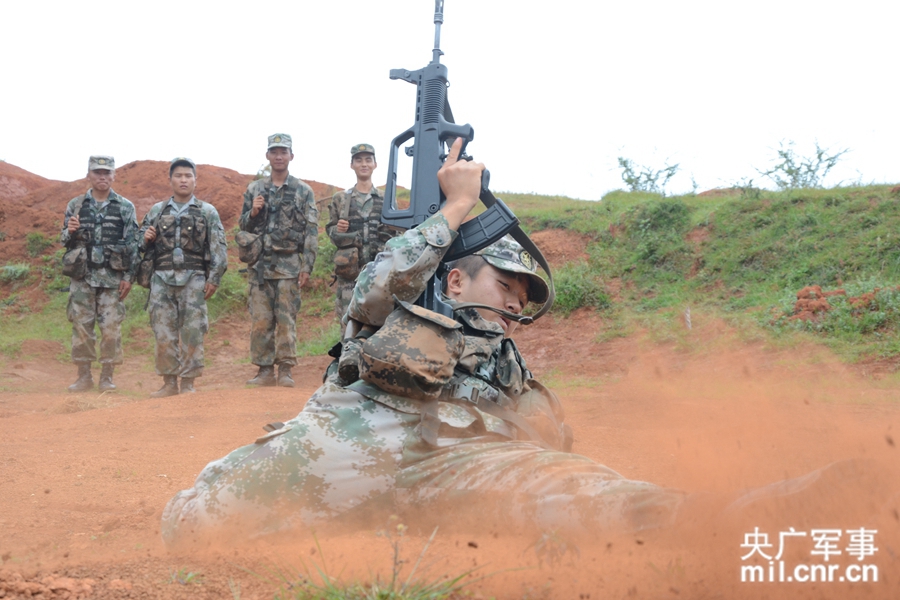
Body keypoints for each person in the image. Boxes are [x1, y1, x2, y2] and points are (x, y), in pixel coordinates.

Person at [160, 139, 683, 547]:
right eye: (504, 286)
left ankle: (737, 526)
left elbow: (549, 451)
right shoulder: (397, 305)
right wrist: (456, 206)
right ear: (456, 282)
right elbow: (375, 284)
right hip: (351, 444)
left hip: (462, 466)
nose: (514, 305)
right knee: (192, 524)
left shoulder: (510, 363)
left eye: (523, 301)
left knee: (606, 503)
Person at [139, 158, 227, 398]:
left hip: (194, 278)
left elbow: (218, 246)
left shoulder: (207, 211)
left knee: (192, 331)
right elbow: (137, 244)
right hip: (161, 279)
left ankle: (188, 382)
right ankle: (169, 383)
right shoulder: (157, 211)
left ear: (195, 180)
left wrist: (215, 278)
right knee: (163, 331)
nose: (183, 180)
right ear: (170, 180)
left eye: (188, 176)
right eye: (178, 176)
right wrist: (144, 238)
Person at [238, 133, 319, 388]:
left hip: (288, 267)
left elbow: (311, 230)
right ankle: (264, 370)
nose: (279, 156)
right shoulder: (254, 189)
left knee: (286, 320)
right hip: (260, 267)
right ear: (268, 156)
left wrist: (307, 267)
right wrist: (253, 212)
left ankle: (285, 370)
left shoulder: (303, 191)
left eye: (284, 152)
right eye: (274, 152)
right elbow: (241, 226)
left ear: (291, 156)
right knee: (261, 320)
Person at [60, 156, 140, 393]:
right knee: (82, 328)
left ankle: (107, 377)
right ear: (89, 175)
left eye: (107, 173)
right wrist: (69, 232)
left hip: (112, 279)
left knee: (111, 329)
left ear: (114, 175)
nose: (102, 177)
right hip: (82, 278)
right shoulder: (76, 205)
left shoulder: (125, 207)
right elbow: (64, 240)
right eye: (97, 173)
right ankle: (84, 376)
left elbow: (133, 244)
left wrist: (129, 276)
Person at [326, 143, 397, 334]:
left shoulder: (386, 199)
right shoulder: (340, 199)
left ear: (375, 164)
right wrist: (338, 230)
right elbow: (331, 233)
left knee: (380, 323)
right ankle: (347, 361)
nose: (363, 164)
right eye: (359, 160)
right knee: (348, 322)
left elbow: (396, 235)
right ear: (352, 165)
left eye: (368, 160)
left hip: (379, 273)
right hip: (350, 274)